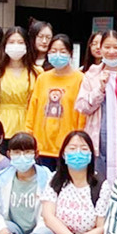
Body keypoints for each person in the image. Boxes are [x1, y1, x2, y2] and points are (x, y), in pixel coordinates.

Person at [29, 130, 109, 234]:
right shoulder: (55, 181)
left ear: (91, 155)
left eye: (83, 149)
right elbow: (48, 216)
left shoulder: (101, 185)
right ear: (64, 154)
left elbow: (101, 228)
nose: (77, 153)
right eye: (72, 148)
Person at [76, 30, 117, 174]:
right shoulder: (92, 74)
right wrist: (100, 89)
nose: (111, 51)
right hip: (98, 139)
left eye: (116, 47)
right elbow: (82, 107)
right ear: (101, 49)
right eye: (107, 47)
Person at [27, 34, 86, 169]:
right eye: (53, 51)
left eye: (62, 51)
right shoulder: (42, 78)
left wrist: (78, 139)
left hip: (68, 146)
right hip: (42, 145)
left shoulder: (80, 79)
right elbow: (33, 109)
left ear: (71, 53)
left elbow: (82, 115)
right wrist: (29, 134)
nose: (57, 55)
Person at [0, 26, 37, 144]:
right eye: (11, 42)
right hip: (1, 128)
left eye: (20, 42)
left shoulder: (36, 72)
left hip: (28, 129)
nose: (16, 45)